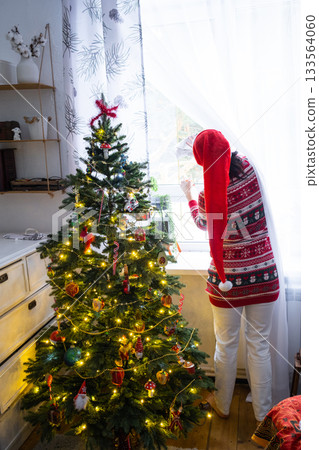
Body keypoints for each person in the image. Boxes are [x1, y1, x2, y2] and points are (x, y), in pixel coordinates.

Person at [180, 129, 280, 424]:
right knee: (259, 345)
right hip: (264, 275)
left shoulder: (206, 194)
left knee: (226, 344)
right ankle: (264, 415)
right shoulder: (251, 170)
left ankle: (222, 404)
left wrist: (188, 195)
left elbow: (203, 224)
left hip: (227, 283)